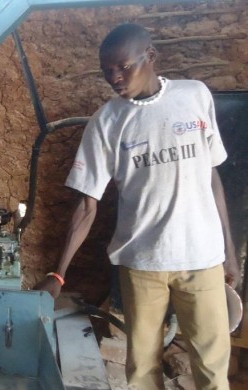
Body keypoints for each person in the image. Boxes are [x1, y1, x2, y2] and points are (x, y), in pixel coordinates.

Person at [35, 23, 239, 390]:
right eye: (106, 70)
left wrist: (230, 251)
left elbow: (212, 178)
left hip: (202, 259)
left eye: (123, 67)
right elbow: (87, 205)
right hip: (142, 265)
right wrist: (59, 274)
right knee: (142, 371)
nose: (114, 77)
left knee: (211, 368)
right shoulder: (106, 123)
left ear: (151, 57)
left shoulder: (194, 96)